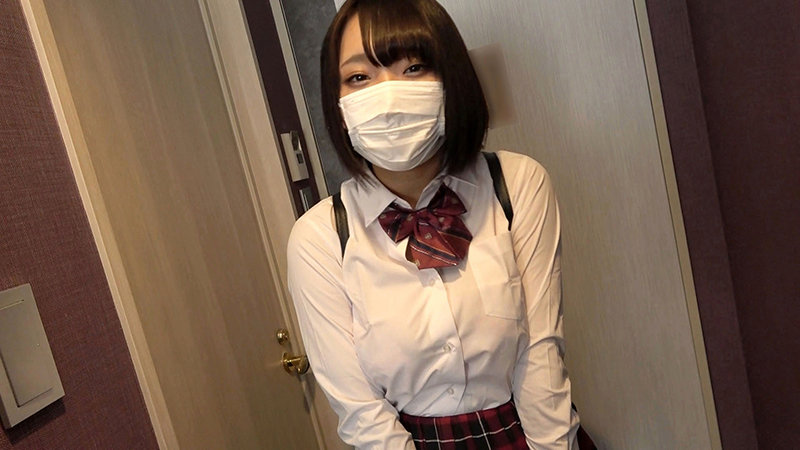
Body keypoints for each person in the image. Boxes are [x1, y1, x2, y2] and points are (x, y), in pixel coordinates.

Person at [287, 0, 580, 448]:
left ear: (451, 79)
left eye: (414, 67)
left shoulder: (518, 183)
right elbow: (361, 411)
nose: (387, 96)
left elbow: (541, 357)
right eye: (359, 77)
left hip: (523, 434)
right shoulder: (319, 238)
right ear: (338, 104)